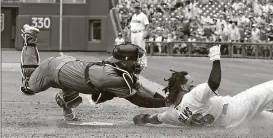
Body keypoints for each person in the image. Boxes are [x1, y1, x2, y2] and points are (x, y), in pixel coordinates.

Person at [132, 45, 273, 134]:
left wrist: (141, 118)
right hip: (237, 107)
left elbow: (154, 118)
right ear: (182, 85)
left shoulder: (172, 113)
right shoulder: (194, 94)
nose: (192, 82)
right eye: (188, 81)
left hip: (232, 123)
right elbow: (213, 83)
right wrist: (216, 59)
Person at [19, 24, 166, 121]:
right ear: (125, 61)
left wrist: (167, 99)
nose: (139, 62)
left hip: (68, 69)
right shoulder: (113, 78)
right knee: (28, 86)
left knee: (73, 91)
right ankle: (30, 39)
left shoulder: (118, 68)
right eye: (136, 59)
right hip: (51, 69)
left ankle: (65, 101)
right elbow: (140, 100)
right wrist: (167, 103)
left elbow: (141, 88)